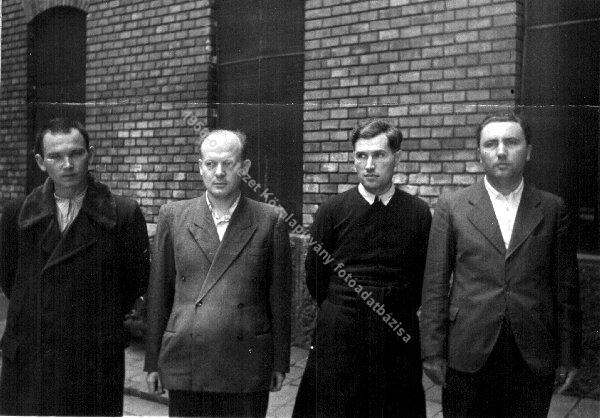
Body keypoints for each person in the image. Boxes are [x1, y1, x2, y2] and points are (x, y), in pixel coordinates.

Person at [419, 111, 581, 417]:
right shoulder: (452, 206)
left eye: (512, 142)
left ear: (529, 151)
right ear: (479, 153)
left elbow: (565, 287)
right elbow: (435, 284)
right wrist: (432, 351)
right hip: (468, 348)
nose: (502, 151)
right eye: (491, 143)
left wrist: (569, 354)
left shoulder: (551, 208)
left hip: (532, 351)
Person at [0, 118, 150, 416]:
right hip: (31, 356)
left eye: (76, 153)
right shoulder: (17, 214)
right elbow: (9, 279)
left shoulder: (123, 213)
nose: (67, 164)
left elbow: (134, 282)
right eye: (55, 156)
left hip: (91, 357)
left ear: (90, 155)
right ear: (41, 162)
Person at [144, 129, 292, 417]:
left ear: (245, 168)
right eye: (210, 164)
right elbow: (159, 292)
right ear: (200, 167)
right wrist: (152, 361)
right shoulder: (174, 216)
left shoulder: (270, 219)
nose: (219, 173)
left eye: (229, 163)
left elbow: (279, 299)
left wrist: (279, 362)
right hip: (187, 357)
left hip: (245, 362)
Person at [293, 120, 432, 417]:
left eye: (379, 155)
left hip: (396, 331)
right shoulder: (333, 210)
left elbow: (422, 277)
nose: (369, 165)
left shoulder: (418, 212)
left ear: (396, 157)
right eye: (360, 156)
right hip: (341, 331)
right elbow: (315, 273)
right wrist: (345, 305)